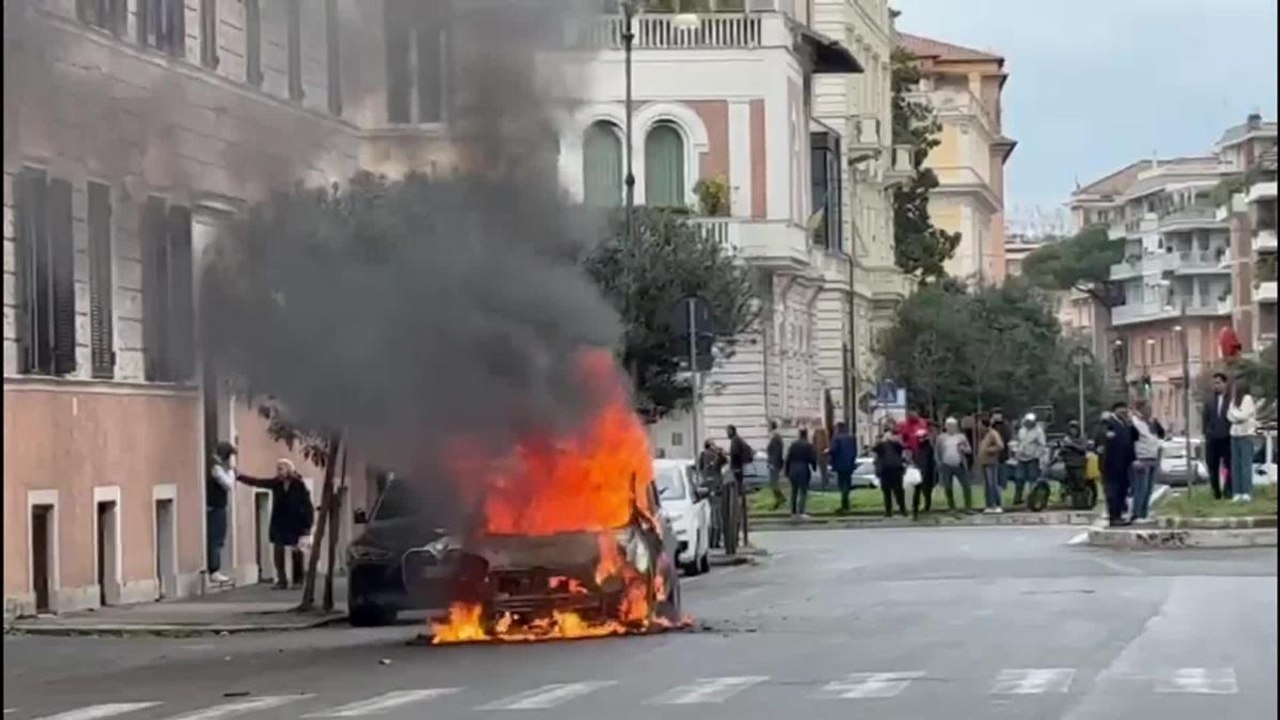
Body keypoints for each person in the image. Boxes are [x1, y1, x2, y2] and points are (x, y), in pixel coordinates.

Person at [237, 459, 315, 589]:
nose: (279, 472)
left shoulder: (298, 484)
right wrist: (240, 477)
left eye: (281, 469)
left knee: (297, 552)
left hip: (295, 522)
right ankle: (281, 579)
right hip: (279, 521)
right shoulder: (276, 483)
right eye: (278, 469)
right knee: (278, 550)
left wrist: (308, 524)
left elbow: (307, 505)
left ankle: (298, 580)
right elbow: (259, 482)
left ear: (289, 469)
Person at [206, 441, 237, 585]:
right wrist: (231, 471)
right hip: (216, 507)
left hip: (217, 506)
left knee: (218, 538)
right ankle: (214, 570)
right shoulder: (216, 468)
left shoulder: (217, 466)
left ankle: (215, 569)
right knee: (216, 538)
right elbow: (229, 485)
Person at [1101, 401, 1136, 527]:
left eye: (1125, 410)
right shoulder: (1108, 423)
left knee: (1122, 490)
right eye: (1121, 410)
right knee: (1113, 491)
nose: (1124, 412)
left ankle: (1119, 515)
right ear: (1115, 410)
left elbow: (1134, 438)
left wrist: (1131, 424)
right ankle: (1114, 516)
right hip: (1112, 464)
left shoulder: (1125, 423)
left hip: (1124, 464)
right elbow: (1103, 437)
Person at [1129, 399, 1162, 522]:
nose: (1150, 411)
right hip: (1141, 459)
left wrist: (1155, 424)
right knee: (1140, 489)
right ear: (1140, 409)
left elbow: (1159, 435)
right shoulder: (1134, 423)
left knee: (1148, 489)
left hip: (1153, 458)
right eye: (1147, 408)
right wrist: (1134, 459)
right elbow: (1130, 443)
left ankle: (1144, 514)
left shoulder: (1150, 423)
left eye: (1150, 408)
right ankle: (1137, 513)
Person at [1202, 371, 1234, 499]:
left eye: (1218, 383)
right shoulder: (1209, 400)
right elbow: (1205, 418)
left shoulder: (1231, 399)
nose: (1216, 386)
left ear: (1225, 384)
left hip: (1227, 437)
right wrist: (1206, 433)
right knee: (1212, 466)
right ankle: (1216, 491)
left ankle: (1228, 489)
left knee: (1228, 466)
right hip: (1212, 438)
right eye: (1214, 383)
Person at [1227, 378, 1258, 503]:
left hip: (1246, 435)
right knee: (1235, 465)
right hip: (1235, 434)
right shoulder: (1233, 400)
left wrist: (1234, 414)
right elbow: (1229, 416)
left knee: (1245, 465)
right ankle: (1237, 492)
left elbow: (1243, 416)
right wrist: (1235, 415)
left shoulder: (1247, 399)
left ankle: (1247, 492)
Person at [937, 417, 973, 513]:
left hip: (959, 464)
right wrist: (939, 463)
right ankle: (952, 507)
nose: (951, 427)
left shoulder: (961, 437)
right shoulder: (941, 438)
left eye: (953, 425)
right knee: (948, 487)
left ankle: (968, 507)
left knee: (966, 486)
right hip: (946, 465)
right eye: (949, 425)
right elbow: (937, 451)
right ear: (946, 426)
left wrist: (964, 449)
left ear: (956, 426)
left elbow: (969, 450)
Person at [872, 424, 908, 517]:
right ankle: (889, 511)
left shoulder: (895, 443)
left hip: (895, 469)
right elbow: (874, 449)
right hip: (886, 470)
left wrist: (894, 440)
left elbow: (903, 447)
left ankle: (902, 509)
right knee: (887, 491)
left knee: (898, 491)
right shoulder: (881, 444)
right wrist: (881, 441)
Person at [1013, 413, 1047, 506]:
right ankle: (1017, 498)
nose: (1028, 423)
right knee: (1019, 478)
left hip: (1032, 459)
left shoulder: (1038, 432)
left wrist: (1037, 455)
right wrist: (1017, 450)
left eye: (1030, 422)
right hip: (1021, 458)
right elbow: (1019, 442)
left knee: (1033, 479)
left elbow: (1042, 445)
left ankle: (1032, 499)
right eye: (1027, 421)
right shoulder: (1022, 430)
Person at [784, 428, 819, 518]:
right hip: (803, 469)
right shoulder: (808, 445)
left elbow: (788, 458)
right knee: (803, 491)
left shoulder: (793, 445)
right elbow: (813, 457)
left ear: (799, 434)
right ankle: (801, 511)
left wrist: (786, 471)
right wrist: (814, 467)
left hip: (793, 469)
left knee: (794, 491)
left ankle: (793, 511)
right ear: (806, 435)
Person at [976, 418, 1005, 513]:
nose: (978, 427)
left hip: (991, 463)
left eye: (980, 425)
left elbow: (1000, 445)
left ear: (984, 425)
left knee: (993, 484)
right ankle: (989, 505)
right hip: (984, 463)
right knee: (987, 485)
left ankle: (997, 505)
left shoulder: (993, 434)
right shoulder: (984, 435)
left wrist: (989, 450)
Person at [911, 420, 939, 518]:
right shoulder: (917, 448)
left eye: (922, 437)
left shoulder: (928, 448)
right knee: (917, 492)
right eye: (919, 438)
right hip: (918, 473)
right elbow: (915, 459)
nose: (920, 439)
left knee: (926, 492)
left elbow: (931, 462)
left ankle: (927, 506)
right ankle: (915, 509)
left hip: (927, 473)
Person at [829, 421, 859, 513]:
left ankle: (844, 504)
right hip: (849, 464)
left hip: (840, 464)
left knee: (842, 484)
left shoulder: (836, 438)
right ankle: (846, 504)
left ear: (838, 428)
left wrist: (828, 452)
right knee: (847, 482)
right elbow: (854, 451)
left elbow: (833, 450)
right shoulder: (851, 438)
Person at [1060, 420, 1090, 500]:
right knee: (1071, 485)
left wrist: (1072, 445)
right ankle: (1073, 500)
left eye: (1075, 429)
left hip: (1079, 465)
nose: (1073, 431)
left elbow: (1083, 448)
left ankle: (1083, 501)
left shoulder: (1082, 438)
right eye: (1071, 429)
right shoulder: (1066, 438)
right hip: (1069, 464)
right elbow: (1062, 450)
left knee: (1080, 484)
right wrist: (1063, 449)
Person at [765, 421, 787, 510]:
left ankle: (779, 500)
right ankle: (780, 499)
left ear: (771, 427)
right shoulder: (774, 436)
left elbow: (777, 451)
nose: (767, 428)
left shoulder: (776, 437)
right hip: (773, 463)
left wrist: (773, 463)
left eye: (768, 426)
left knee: (774, 483)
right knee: (773, 483)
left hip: (774, 464)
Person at [813, 425, 831, 491]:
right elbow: (827, 446)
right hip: (824, 456)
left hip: (820, 456)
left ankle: (825, 483)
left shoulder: (817, 436)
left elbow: (815, 446)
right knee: (824, 471)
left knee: (823, 471)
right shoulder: (825, 437)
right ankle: (825, 483)